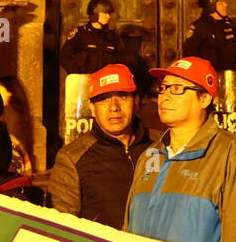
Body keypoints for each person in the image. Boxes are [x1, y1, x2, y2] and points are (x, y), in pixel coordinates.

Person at [125, 57, 236, 242]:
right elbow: (127, 234)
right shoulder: (151, 155)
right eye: (163, 89)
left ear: (205, 99)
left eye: (177, 89)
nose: (165, 97)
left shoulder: (230, 155)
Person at [48, 64, 159, 230]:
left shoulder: (162, 144)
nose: (114, 107)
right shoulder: (71, 158)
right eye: (104, 99)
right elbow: (63, 227)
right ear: (92, 108)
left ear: (136, 101)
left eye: (122, 96)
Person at [60, 0, 152, 96]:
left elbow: (121, 62)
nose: (108, 17)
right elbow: (65, 57)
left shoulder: (112, 37)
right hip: (84, 87)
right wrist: (78, 77)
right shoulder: (80, 33)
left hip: (104, 87)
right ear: (94, 14)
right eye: (105, 13)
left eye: (109, 14)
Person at [182, 0, 236, 73]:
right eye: (221, 3)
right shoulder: (198, 28)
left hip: (230, 81)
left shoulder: (232, 26)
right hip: (209, 80)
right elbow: (190, 58)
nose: (225, 5)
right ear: (211, 6)